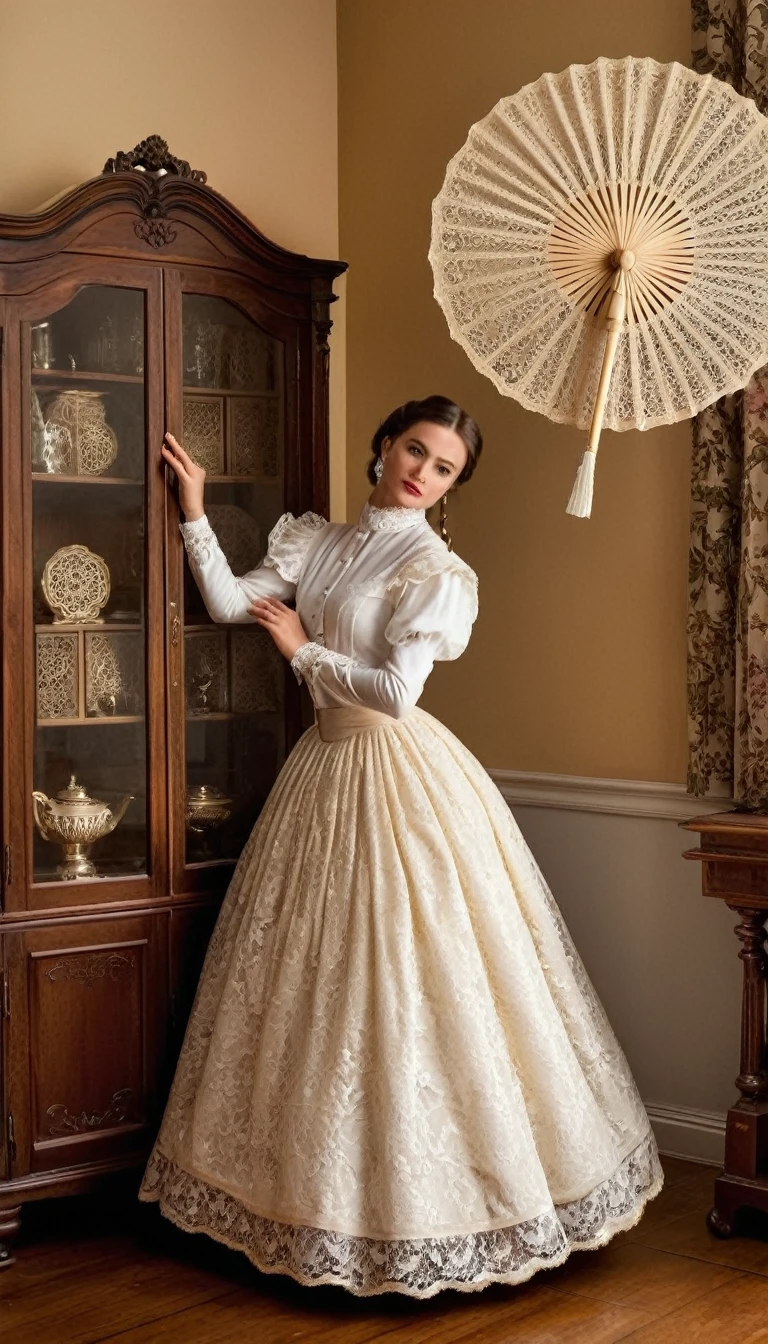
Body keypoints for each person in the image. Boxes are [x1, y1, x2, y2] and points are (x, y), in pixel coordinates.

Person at [140, 395, 662, 1298]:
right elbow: (230, 602)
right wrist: (192, 506)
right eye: (414, 449)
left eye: (445, 466)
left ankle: (436, 1210)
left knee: (418, 977)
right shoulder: (321, 543)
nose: (422, 471)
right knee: (320, 982)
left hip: (395, 769)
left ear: (453, 483)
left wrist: (302, 651)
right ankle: (313, 1205)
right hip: (324, 771)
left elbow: (391, 694)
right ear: (384, 445)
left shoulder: (436, 569)